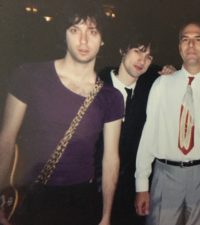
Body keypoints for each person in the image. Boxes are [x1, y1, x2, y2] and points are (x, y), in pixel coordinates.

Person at [0, 1, 123, 225]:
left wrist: (106, 216)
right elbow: (5, 141)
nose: (84, 41)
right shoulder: (28, 76)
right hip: (32, 198)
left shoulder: (110, 97)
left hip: (81, 200)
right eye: (75, 30)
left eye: (92, 31)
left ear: (102, 39)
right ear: (64, 34)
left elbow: (111, 160)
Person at [135, 22, 200, 225]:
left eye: (197, 39)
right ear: (179, 47)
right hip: (166, 175)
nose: (191, 45)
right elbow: (149, 133)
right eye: (185, 39)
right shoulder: (161, 84)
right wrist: (141, 184)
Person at [96, 33, 175, 225]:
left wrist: (172, 72)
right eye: (138, 51)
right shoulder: (97, 86)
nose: (142, 60)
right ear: (123, 50)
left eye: (148, 56)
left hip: (133, 189)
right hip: (95, 184)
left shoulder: (151, 88)